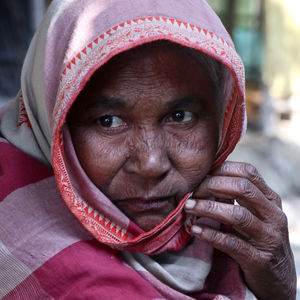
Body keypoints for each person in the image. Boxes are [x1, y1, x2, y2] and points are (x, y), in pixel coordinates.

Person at [0, 0, 296, 299]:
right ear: (53, 120)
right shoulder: (26, 249)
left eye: (180, 116)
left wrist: (276, 278)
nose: (151, 163)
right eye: (109, 121)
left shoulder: (218, 232)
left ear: (224, 117)